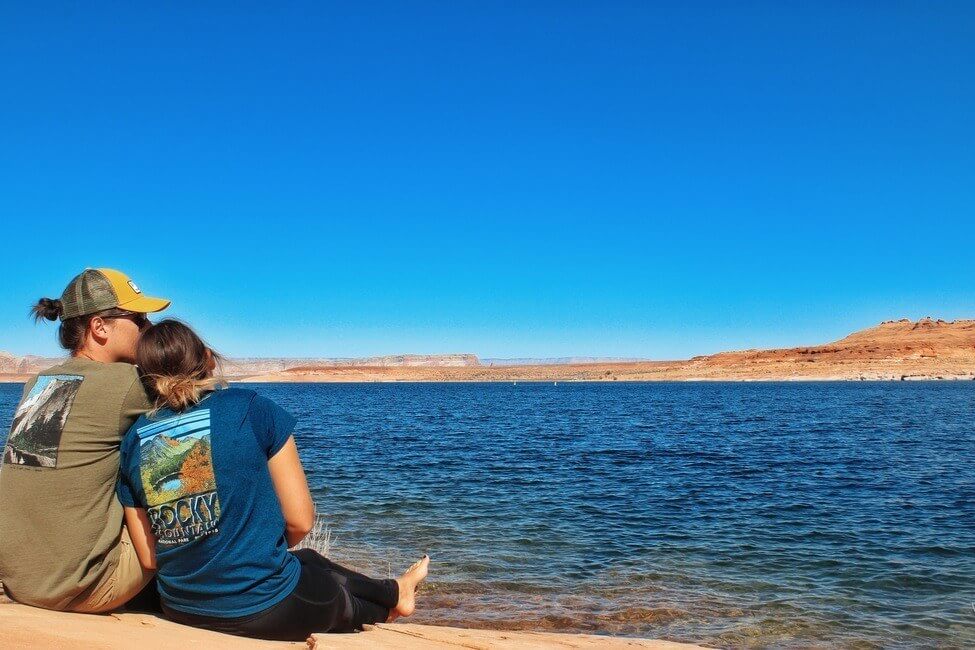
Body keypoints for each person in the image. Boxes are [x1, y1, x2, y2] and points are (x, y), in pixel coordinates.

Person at [117, 319, 429, 641]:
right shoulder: (249, 408)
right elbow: (301, 521)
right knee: (338, 598)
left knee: (308, 560)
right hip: (262, 607)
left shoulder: (133, 441)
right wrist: (252, 551)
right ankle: (393, 603)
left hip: (180, 605)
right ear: (208, 358)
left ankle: (395, 589)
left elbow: (149, 556)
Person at [0, 268, 170, 612]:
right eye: (138, 318)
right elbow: (202, 394)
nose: (148, 328)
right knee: (186, 461)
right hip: (85, 587)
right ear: (99, 327)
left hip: (21, 580)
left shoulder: (39, 382)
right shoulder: (127, 383)